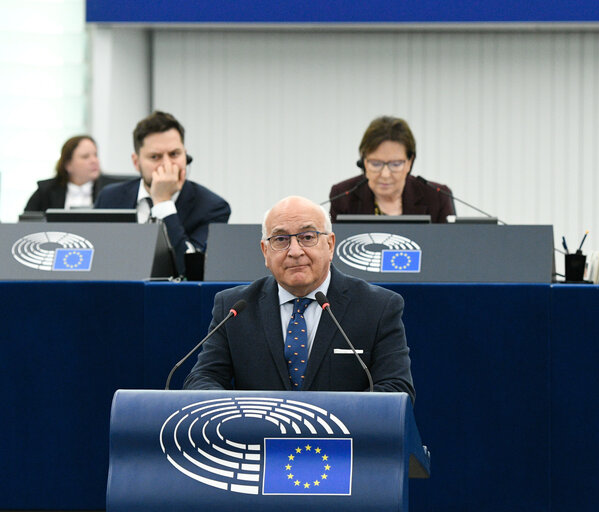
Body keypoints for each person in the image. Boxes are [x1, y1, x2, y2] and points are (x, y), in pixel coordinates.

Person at [183, 195, 415, 401]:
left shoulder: (378, 307)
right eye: (281, 240)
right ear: (265, 251)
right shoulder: (234, 308)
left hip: (343, 445)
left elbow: (396, 388)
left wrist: (324, 421)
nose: (295, 251)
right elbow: (202, 379)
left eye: (307, 237)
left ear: (330, 244)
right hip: (258, 441)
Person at [95, 111, 231, 274]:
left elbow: (191, 273)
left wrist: (163, 203)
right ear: (136, 162)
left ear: (185, 156)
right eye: (155, 157)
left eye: (174, 154)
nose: (167, 165)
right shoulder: (109, 198)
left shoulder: (212, 207)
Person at [329, 116, 454, 223]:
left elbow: (451, 247)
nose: (385, 174)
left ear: (409, 162)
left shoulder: (437, 197)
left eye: (395, 164)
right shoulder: (343, 196)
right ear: (363, 162)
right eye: (376, 163)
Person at [24, 135, 120, 212]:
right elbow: (26, 224)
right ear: (68, 164)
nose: (94, 160)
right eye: (85, 157)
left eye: (95, 155)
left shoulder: (112, 190)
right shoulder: (46, 191)